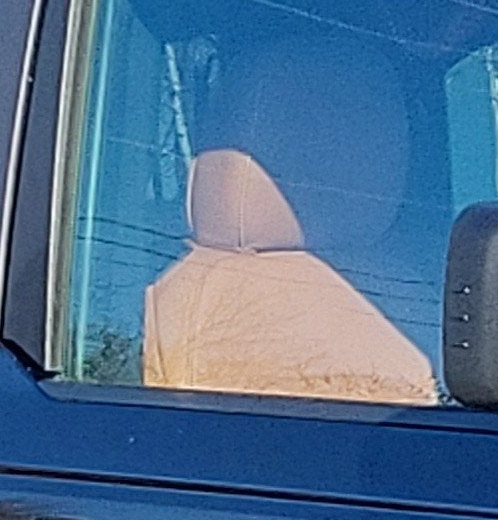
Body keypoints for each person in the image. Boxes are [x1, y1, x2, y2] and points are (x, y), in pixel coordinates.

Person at [143, 36, 439, 406]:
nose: (348, 151)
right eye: (327, 126)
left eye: (356, 123)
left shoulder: (406, 283)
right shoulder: (208, 315)